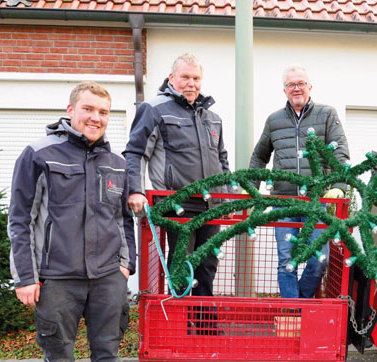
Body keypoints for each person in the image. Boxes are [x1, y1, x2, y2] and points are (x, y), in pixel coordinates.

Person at [8, 82, 154, 362]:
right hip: (57, 277)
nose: (96, 118)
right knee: (60, 358)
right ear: (70, 110)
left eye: (104, 112)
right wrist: (25, 276)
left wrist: (126, 266)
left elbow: (125, 220)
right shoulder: (39, 155)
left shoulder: (117, 163)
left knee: (108, 352)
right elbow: (20, 219)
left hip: (108, 275)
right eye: (89, 109)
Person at [124, 53, 230, 331]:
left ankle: (205, 324)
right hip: (178, 205)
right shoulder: (154, 109)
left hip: (212, 206)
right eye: (185, 77)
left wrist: (228, 195)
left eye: (196, 78)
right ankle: (179, 326)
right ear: (172, 78)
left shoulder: (212, 118)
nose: (191, 83)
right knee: (182, 263)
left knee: (208, 264)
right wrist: (136, 190)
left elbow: (222, 160)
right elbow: (135, 153)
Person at [249, 65, 350, 298]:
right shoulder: (274, 121)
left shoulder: (326, 115)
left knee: (319, 260)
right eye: (291, 84)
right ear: (284, 90)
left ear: (309, 87)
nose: (296, 88)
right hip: (283, 202)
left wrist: (338, 186)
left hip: (316, 201)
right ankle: (292, 315)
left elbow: (340, 152)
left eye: (301, 83)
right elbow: (259, 156)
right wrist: (252, 192)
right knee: (287, 261)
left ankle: (300, 308)